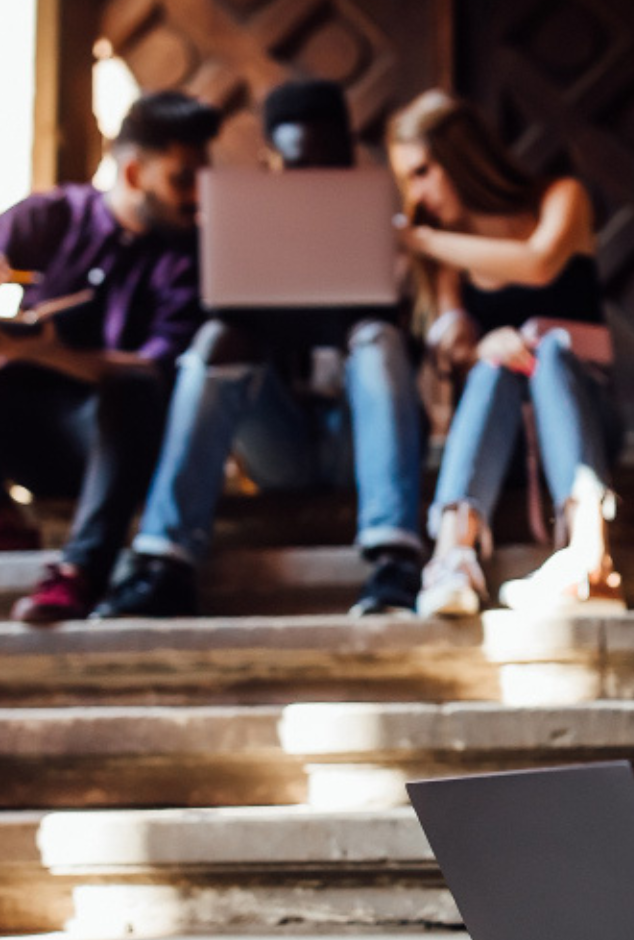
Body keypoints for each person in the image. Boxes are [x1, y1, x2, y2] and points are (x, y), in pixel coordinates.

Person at [0, 91, 219, 623]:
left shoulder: (191, 255)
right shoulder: (48, 217)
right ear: (131, 175)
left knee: (131, 387)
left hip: (118, 447)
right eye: (182, 179)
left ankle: (81, 571)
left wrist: (53, 354)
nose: (197, 197)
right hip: (23, 427)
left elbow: (157, 370)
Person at [93, 79, 426, 619]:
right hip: (281, 444)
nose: (311, 182)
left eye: (325, 168)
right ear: (274, 163)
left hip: (358, 442)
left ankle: (395, 561)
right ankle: (165, 563)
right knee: (215, 339)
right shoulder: (235, 232)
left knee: (377, 338)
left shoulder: (397, 236)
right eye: (298, 168)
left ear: (348, 159)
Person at [386, 89, 625, 618]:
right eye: (408, 179)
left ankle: (592, 556)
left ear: (463, 158)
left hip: (585, 422)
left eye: (423, 171)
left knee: (552, 352)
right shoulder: (449, 252)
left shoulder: (561, 198)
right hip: (504, 442)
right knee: (497, 364)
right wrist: (481, 344)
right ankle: (453, 554)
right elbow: (461, 349)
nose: (417, 194)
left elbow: (538, 263)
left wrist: (420, 242)